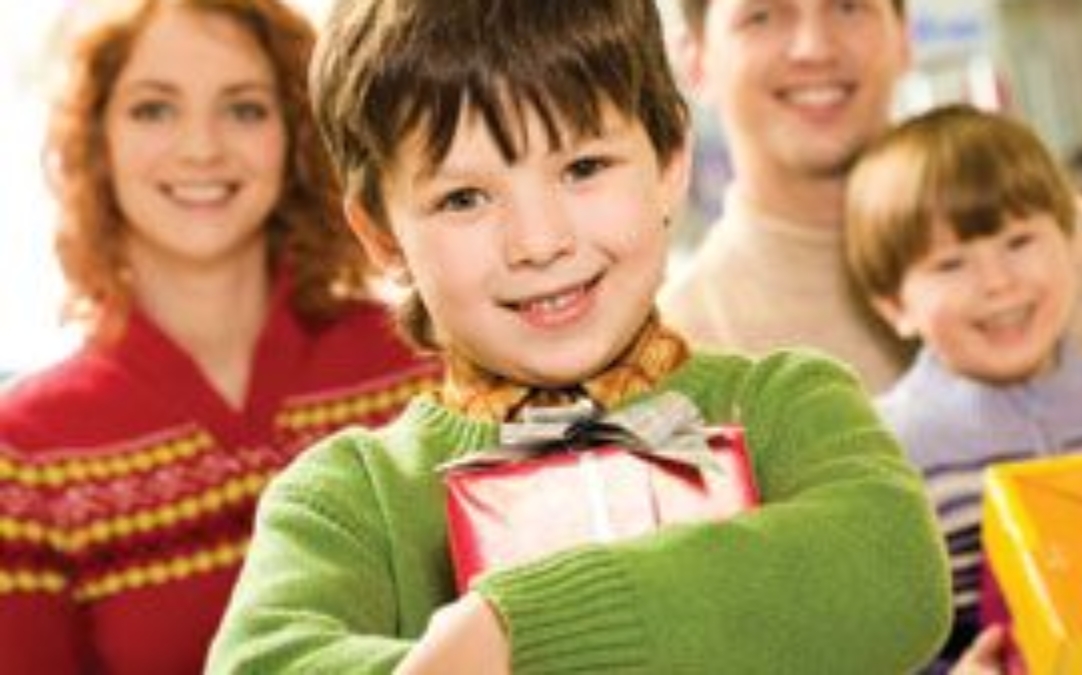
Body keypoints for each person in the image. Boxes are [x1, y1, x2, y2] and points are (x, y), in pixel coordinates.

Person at [204, 0, 953, 672]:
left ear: (668, 163)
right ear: (381, 235)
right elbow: (263, 659)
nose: (539, 241)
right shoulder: (347, 501)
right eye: (464, 197)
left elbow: (896, 574)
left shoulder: (787, 403)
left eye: (583, 166)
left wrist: (516, 631)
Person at [0, 1, 440, 673]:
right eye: (154, 108)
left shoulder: (422, 366)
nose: (201, 147)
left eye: (244, 108)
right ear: (97, 139)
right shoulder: (26, 456)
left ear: (297, 132)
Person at [662, 0, 1082, 404]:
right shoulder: (684, 346)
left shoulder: (1078, 245)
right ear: (695, 61)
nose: (814, 48)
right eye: (762, 16)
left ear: (904, 37)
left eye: (849, 6)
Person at [843, 104, 1082, 674]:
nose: (998, 282)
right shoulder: (879, 464)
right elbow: (869, 645)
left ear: (1071, 246)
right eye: (951, 263)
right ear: (895, 306)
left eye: (1019, 241)